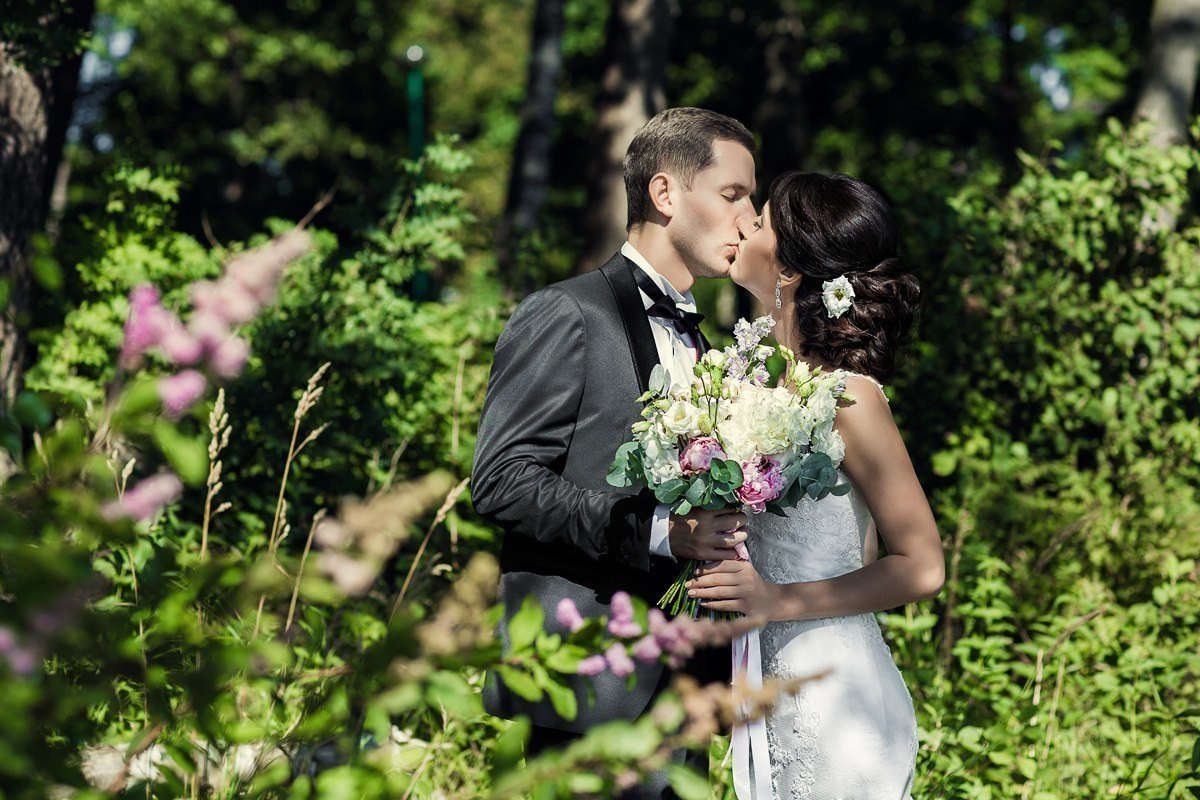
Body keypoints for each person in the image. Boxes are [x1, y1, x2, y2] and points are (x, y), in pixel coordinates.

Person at [472, 107, 758, 797]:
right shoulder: (566, 313)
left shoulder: (711, 351)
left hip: (681, 698)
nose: (750, 220)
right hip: (580, 694)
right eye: (733, 195)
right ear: (665, 195)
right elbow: (502, 481)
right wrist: (663, 533)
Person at [687, 171, 945, 799]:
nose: (746, 221)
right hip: (771, 684)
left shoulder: (848, 398)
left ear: (789, 270)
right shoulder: (752, 386)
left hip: (837, 699)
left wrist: (776, 600)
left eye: (764, 217)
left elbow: (922, 566)